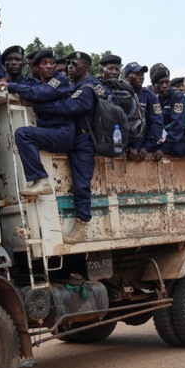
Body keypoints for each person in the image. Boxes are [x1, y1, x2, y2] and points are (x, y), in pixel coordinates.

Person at [33, 51, 117, 244]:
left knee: (81, 184)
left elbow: (69, 108)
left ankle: (81, 224)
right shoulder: (74, 85)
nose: (70, 66)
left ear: (85, 67)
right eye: (68, 63)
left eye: (74, 64)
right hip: (71, 136)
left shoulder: (90, 87)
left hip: (84, 140)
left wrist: (39, 107)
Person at [4, 49, 74, 196]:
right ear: (36, 68)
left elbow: (40, 93)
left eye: (52, 63)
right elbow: (35, 91)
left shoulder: (60, 80)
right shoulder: (39, 84)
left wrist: (10, 86)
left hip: (63, 133)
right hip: (52, 133)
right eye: (44, 63)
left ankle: (40, 180)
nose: (49, 66)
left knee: (23, 134)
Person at [150, 65, 185, 159]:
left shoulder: (178, 97)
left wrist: (163, 149)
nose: (165, 86)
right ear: (154, 85)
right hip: (163, 140)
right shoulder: (155, 99)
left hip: (180, 141)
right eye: (161, 83)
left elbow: (177, 126)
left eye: (167, 82)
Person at [124, 62, 164, 161]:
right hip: (121, 147)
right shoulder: (119, 94)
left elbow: (157, 124)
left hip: (142, 147)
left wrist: (145, 147)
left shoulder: (149, 96)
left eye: (142, 75)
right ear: (127, 76)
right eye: (136, 74)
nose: (141, 77)